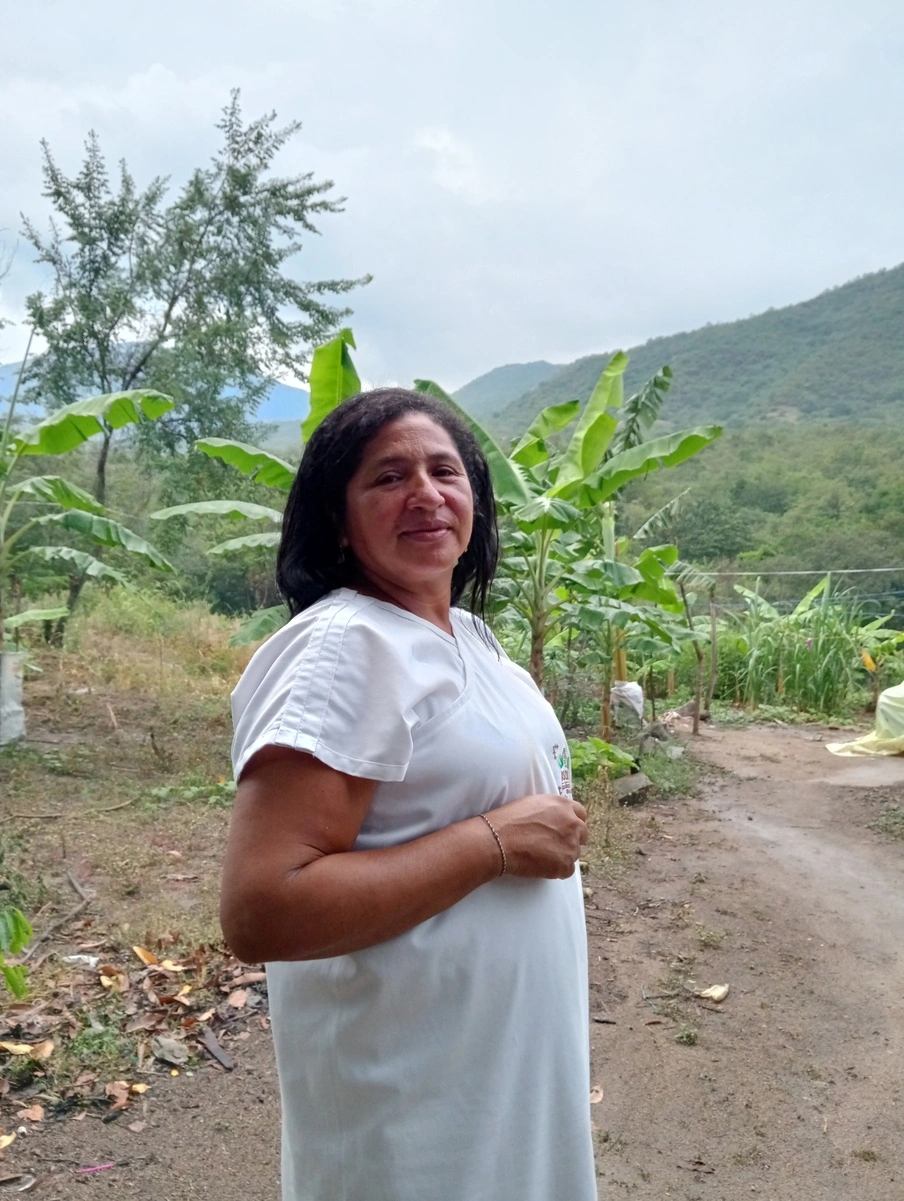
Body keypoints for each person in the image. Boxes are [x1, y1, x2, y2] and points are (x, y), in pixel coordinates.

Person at [220, 388, 597, 1201]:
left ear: (476, 499)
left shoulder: (472, 638)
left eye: (444, 471)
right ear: (338, 518)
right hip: (411, 1106)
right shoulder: (346, 647)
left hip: (498, 1077)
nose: (425, 493)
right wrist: (493, 843)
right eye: (388, 477)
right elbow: (262, 908)